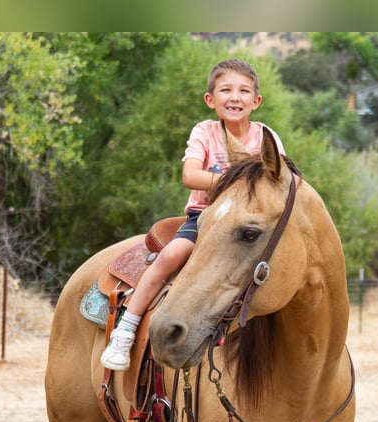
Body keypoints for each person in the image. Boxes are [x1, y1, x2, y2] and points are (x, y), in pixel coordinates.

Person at [101, 59, 285, 371]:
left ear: (256, 101)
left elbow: (278, 180)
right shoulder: (205, 132)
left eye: (243, 91)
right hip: (205, 219)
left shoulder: (266, 137)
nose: (234, 97)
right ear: (210, 100)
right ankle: (126, 329)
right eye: (225, 90)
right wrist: (235, 185)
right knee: (170, 256)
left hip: (248, 225)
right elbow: (190, 175)